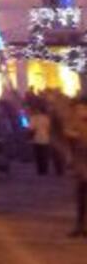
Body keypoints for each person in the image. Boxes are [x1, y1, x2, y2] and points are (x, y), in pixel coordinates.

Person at [65, 96, 87, 238]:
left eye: (82, 108)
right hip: (80, 165)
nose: (80, 111)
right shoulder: (75, 123)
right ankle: (80, 226)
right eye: (78, 109)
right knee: (80, 197)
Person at [30, 102, 53, 176]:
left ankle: (40, 170)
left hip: (37, 139)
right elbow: (49, 128)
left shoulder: (34, 118)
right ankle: (45, 169)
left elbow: (31, 129)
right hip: (46, 139)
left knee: (38, 155)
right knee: (44, 155)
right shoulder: (46, 118)